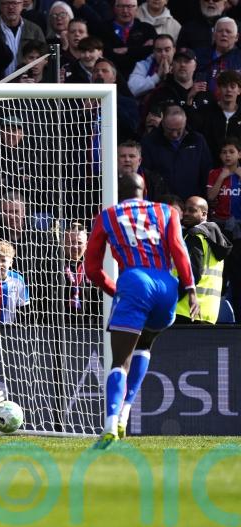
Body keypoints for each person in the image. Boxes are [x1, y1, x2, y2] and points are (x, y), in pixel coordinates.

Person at [84, 173, 198, 450]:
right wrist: (190, 288)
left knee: (119, 361)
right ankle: (125, 411)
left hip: (134, 282)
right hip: (166, 285)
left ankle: (111, 422)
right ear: (144, 189)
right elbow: (178, 250)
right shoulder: (167, 211)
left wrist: (115, 290)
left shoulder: (108, 216)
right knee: (145, 344)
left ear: (117, 192)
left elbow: (91, 268)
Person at [175, 196, 233, 324]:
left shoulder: (195, 236)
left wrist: (171, 300)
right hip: (208, 313)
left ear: (204, 214)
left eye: (191, 210)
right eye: (185, 210)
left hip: (185, 310)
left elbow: (192, 274)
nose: (186, 214)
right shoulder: (218, 239)